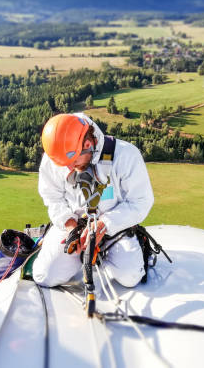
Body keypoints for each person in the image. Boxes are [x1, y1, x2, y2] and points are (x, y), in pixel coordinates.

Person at [32, 112, 154, 288]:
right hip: (74, 226)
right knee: (44, 276)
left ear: (88, 144)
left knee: (131, 276)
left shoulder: (126, 156)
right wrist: (69, 224)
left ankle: (119, 253)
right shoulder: (56, 157)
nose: (69, 168)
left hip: (114, 228)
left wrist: (104, 225)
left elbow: (140, 201)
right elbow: (52, 197)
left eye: (73, 162)